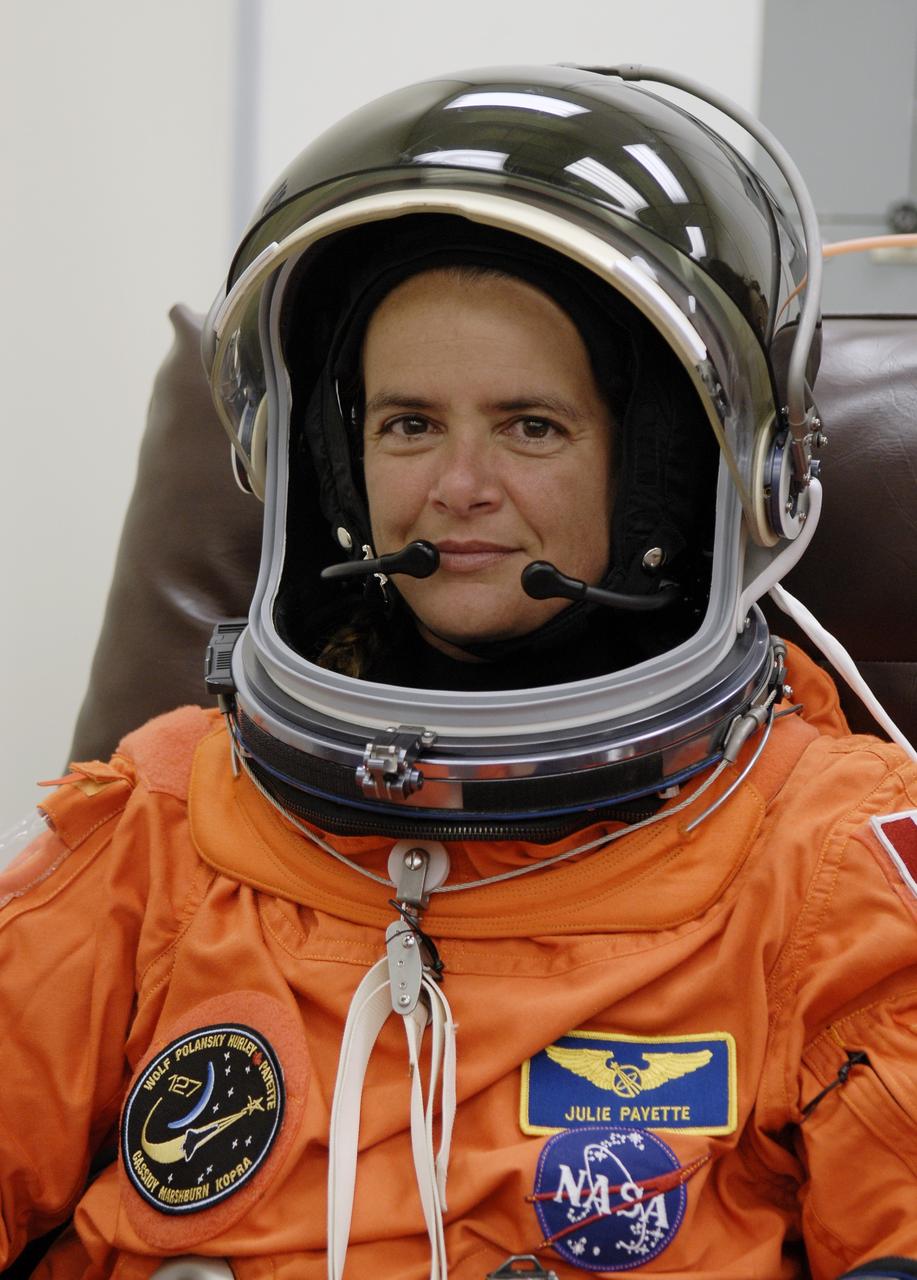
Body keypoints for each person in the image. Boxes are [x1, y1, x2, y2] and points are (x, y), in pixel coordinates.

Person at [1, 64, 916, 1280]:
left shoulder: (825, 864)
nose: (459, 487)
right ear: (334, 465)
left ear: (664, 472)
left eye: (530, 425)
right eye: (408, 424)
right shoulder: (163, 821)